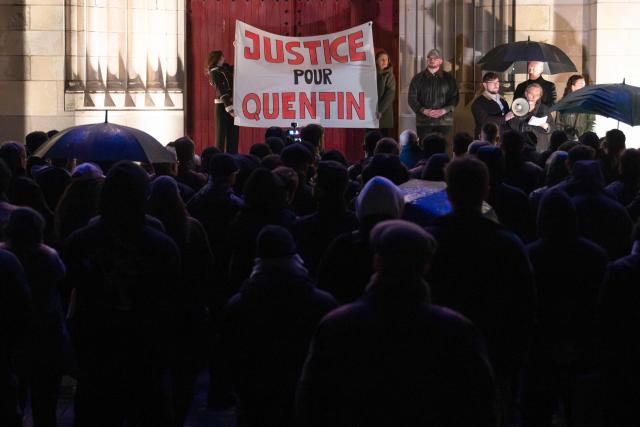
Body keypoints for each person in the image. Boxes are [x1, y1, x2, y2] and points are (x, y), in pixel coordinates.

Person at [296, 219, 496, 426]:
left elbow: (310, 405)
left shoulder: (335, 327)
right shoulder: (457, 331)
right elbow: (480, 408)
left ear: (377, 262)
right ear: (425, 266)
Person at [64, 161, 181, 427]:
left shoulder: (80, 241)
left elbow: (70, 293)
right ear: (143, 195)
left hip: (97, 350)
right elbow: (171, 299)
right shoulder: (162, 246)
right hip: (145, 351)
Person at [427, 156, 536, 423]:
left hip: (439, 359)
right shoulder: (509, 245)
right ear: (486, 191)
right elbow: (526, 307)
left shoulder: (430, 242)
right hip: (495, 356)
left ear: (448, 192)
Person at [222, 225, 337, 427]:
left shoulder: (238, 305)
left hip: (255, 403)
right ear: (294, 254)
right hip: (303, 400)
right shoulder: (323, 303)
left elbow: (230, 358)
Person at [1, 208, 70, 427]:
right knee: (45, 402)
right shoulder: (49, 258)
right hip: (47, 338)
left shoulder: (5, 259)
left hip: (11, 339)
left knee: (13, 396)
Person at [408, 48, 459, 140]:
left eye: (435, 58)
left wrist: (444, 110)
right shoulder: (417, 78)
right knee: (424, 149)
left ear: (440, 61)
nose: (432, 60)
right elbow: (411, 99)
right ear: (427, 60)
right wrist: (424, 110)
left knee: (444, 149)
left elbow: (455, 98)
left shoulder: (449, 79)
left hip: (444, 122)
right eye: (429, 58)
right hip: (424, 122)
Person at [207, 50, 239, 153]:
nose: (223, 59)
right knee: (220, 135)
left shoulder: (224, 69)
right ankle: (218, 159)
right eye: (221, 57)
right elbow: (221, 90)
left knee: (233, 134)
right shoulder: (214, 73)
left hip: (231, 104)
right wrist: (229, 107)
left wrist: (238, 47)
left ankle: (233, 157)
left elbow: (237, 66)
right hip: (222, 106)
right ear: (216, 59)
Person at [507, 83, 553, 152]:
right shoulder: (517, 105)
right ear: (526, 94)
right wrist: (526, 111)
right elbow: (512, 124)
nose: (534, 97)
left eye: (537, 95)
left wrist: (547, 127)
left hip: (539, 147)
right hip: (520, 145)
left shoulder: (544, 108)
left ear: (540, 96)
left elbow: (553, 127)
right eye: (531, 94)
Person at [470, 72, 514, 138]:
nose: (496, 85)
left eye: (497, 82)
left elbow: (508, 118)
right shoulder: (478, 103)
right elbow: (484, 120)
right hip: (487, 139)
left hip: (503, 139)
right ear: (485, 85)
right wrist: (505, 118)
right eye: (492, 82)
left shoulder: (502, 100)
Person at [555, 74, 595, 139]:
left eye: (584, 85)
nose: (584, 88)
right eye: (581, 85)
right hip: (566, 140)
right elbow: (558, 123)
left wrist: (585, 138)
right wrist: (564, 137)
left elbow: (592, 123)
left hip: (583, 140)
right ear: (573, 87)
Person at [375, 50, 396, 136]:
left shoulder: (389, 75)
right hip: (370, 112)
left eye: (386, 59)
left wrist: (380, 110)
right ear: (376, 61)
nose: (384, 61)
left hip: (384, 113)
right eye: (382, 59)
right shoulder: (370, 74)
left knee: (384, 139)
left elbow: (390, 94)